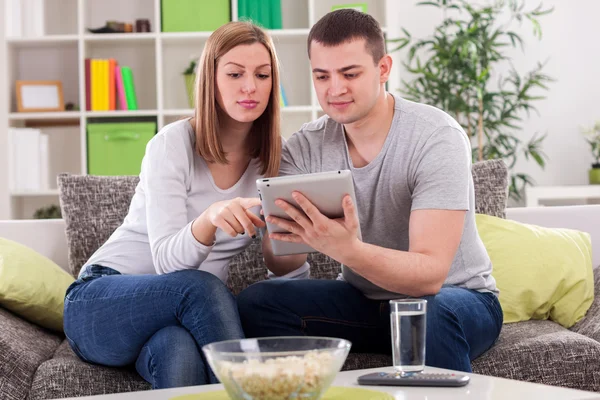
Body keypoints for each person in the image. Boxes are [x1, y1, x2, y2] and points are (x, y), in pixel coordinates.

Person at [237, 9, 503, 373]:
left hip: (454, 299)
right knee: (258, 302)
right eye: (322, 76)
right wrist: (283, 235)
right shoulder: (303, 147)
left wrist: (347, 249)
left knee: (429, 313)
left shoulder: (435, 136)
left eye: (350, 73)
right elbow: (283, 263)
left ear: (383, 69)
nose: (335, 89)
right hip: (365, 301)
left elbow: (430, 274)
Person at [63, 21, 283, 389]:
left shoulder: (273, 159)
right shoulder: (173, 144)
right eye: (234, 74)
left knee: (178, 352)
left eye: (263, 75)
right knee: (201, 288)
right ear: (210, 79)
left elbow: (287, 264)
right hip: (100, 302)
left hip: (175, 320)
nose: (250, 87)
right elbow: (167, 262)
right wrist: (211, 218)